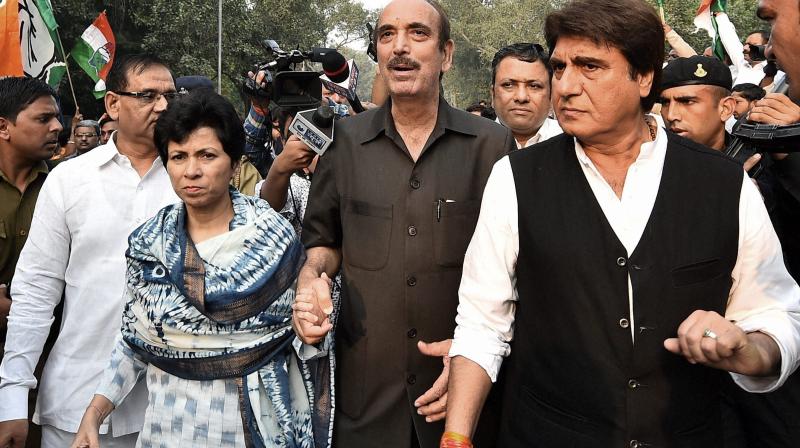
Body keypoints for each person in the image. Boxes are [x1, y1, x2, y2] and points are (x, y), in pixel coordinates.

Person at [443, 1, 800, 447]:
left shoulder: (725, 183)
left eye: (590, 66)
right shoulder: (516, 178)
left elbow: (777, 314)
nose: (566, 86)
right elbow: (482, 324)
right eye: (559, 67)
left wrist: (749, 350)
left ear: (644, 77)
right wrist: (456, 436)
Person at [293, 0, 515, 446]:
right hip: (367, 403)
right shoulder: (346, 144)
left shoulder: (492, 147)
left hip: (463, 402)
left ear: (446, 54)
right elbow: (323, 242)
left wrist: (473, 356)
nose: (400, 48)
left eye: (417, 33)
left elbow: (517, 269)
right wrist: (310, 280)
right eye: (387, 35)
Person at [69, 89, 332, 448]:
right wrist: (95, 411)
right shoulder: (150, 247)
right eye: (178, 157)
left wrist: (311, 326)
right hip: (169, 429)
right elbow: (134, 340)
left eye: (207, 155)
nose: (191, 170)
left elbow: (304, 337)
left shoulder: (275, 240)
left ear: (235, 163)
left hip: (257, 431)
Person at [0, 54, 181, 448]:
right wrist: (12, 394)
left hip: (171, 406)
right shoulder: (69, 180)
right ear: (113, 104)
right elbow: (35, 293)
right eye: (148, 95)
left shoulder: (194, 181)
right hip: (75, 400)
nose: (164, 106)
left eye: (171, 95)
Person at [0, 77, 61, 351]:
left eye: (57, 117)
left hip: (46, 350)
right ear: (4, 127)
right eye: (43, 119)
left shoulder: (68, 185)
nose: (58, 127)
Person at [490, 43, 562, 148]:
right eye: (508, 85)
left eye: (534, 86)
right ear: (493, 94)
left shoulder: (574, 141)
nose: (521, 97)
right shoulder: (473, 144)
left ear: (551, 96)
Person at [659, 55, 736, 151]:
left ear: (725, 109)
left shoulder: (752, 160)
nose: (671, 116)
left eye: (687, 101)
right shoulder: (648, 160)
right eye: (665, 102)